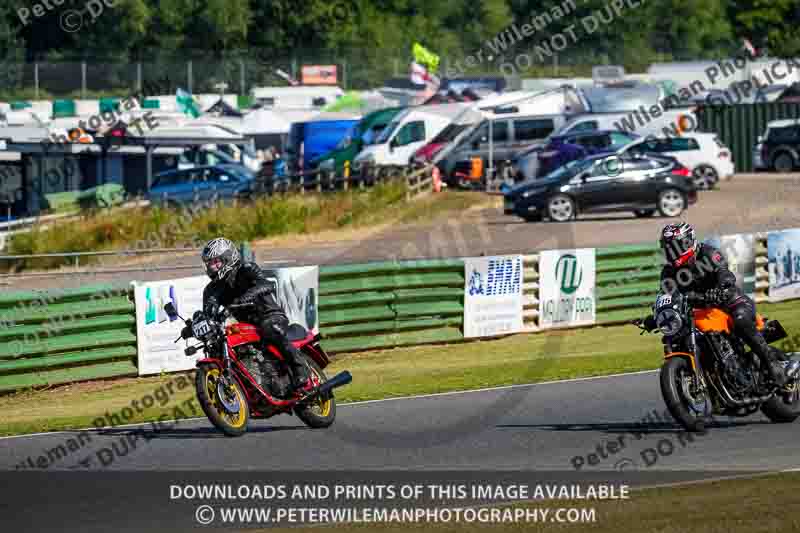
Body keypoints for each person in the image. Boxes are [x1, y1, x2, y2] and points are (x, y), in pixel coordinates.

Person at [654, 222, 800, 388]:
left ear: (688, 242)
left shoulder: (707, 253)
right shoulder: (668, 272)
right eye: (668, 248)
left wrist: (722, 286)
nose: (671, 252)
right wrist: (657, 315)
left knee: (740, 319)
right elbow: (667, 295)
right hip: (699, 311)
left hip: (728, 300)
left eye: (675, 246)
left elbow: (724, 272)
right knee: (677, 335)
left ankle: (771, 363)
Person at [200, 237, 313, 394]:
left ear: (227, 257)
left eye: (215, 262)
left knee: (269, 328)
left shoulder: (246, 269)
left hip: (269, 314)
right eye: (209, 264)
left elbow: (267, 284)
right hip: (248, 325)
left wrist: (248, 295)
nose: (212, 267)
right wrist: (198, 321)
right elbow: (209, 309)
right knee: (219, 344)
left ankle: (301, 370)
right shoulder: (212, 289)